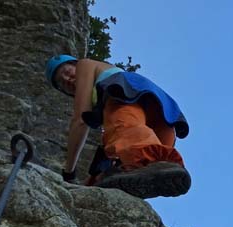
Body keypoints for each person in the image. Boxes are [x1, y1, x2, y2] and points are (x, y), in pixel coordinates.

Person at [44, 54, 191, 199]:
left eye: (66, 72)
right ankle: (161, 165)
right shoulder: (100, 95)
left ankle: (148, 163)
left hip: (127, 95)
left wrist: (69, 172)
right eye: (62, 84)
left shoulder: (85, 64)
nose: (67, 80)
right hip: (162, 112)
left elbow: (80, 121)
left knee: (125, 129)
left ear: (75, 64)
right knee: (132, 157)